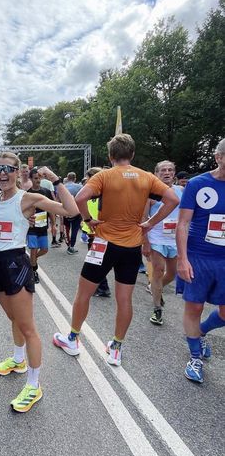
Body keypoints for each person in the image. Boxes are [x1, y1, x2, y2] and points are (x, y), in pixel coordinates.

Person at [52, 134, 179, 366]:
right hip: (131, 246)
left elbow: (80, 197)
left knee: (83, 293)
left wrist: (88, 219)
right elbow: (172, 199)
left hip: (104, 243)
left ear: (111, 156)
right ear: (132, 154)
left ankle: (72, 338)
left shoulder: (104, 175)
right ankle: (116, 348)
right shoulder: (146, 177)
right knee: (124, 299)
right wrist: (150, 222)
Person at [0, 154, 78, 412]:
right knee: (14, 320)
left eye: (8, 169)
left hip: (16, 264)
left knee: (28, 328)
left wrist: (55, 180)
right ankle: (18, 360)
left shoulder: (28, 199)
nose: (3, 173)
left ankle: (34, 385)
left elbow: (71, 211)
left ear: (18, 172)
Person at [177, 138, 225, 384]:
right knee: (194, 307)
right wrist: (182, 259)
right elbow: (183, 223)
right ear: (218, 157)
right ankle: (195, 357)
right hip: (199, 256)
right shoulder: (198, 184)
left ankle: (201, 332)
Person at [142, 161, 183, 325]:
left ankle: (155, 288)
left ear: (174, 173)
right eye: (163, 170)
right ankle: (157, 308)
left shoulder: (182, 191)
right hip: (156, 237)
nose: (167, 173)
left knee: (172, 274)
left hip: (174, 239)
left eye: (170, 170)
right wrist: (145, 242)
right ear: (156, 173)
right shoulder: (150, 193)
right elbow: (143, 218)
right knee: (158, 270)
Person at [80, 167, 111, 298]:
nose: (85, 181)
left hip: (99, 233)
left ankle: (103, 288)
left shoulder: (104, 194)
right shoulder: (92, 193)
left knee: (96, 261)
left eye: (87, 178)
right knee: (95, 260)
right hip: (91, 231)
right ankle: (101, 287)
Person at [26, 168, 52, 283]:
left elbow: (51, 208)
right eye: (36, 178)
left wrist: (54, 225)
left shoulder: (46, 191)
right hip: (31, 227)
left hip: (43, 226)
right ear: (31, 179)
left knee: (45, 250)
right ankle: (33, 272)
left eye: (39, 178)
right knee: (33, 249)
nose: (38, 180)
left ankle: (31, 261)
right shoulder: (27, 194)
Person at [63, 172, 83, 255]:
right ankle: (71, 247)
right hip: (76, 211)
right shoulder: (80, 187)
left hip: (64, 210)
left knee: (67, 229)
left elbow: (57, 199)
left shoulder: (63, 187)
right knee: (74, 230)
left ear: (67, 178)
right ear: (75, 178)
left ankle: (68, 244)